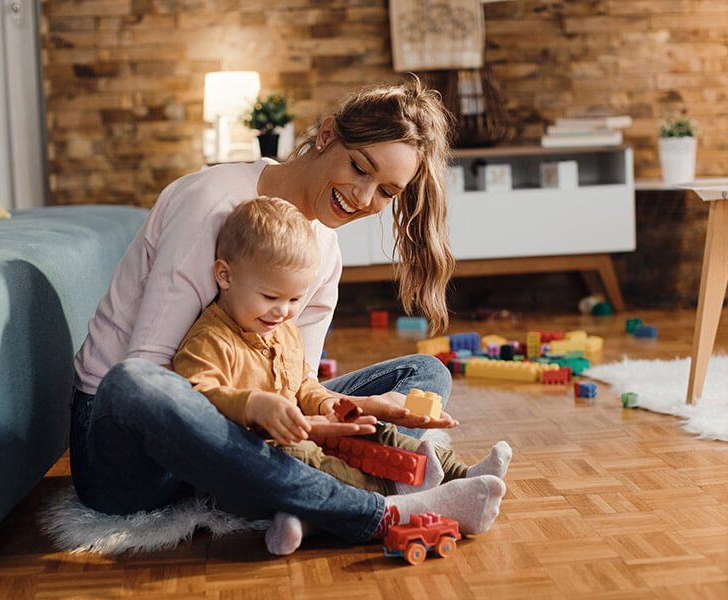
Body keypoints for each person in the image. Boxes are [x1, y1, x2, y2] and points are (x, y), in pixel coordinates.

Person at [69, 75, 506, 557]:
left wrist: (344, 412)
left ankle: (297, 501)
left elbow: (297, 385)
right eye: (361, 168)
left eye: (386, 192)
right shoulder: (212, 205)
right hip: (136, 446)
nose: (363, 198)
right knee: (134, 381)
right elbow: (156, 369)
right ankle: (372, 512)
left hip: (247, 433)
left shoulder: (324, 249)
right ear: (325, 136)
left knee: (423, 374)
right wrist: (265, 416)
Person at [172, 196, 513, 516]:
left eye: (293, 300)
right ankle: (392, 492)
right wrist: (252, 405)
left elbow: (302, 385)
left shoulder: (281, 329)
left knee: (372, 430)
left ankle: (459, 473)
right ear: (226, 275)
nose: (282, 312)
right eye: (271, 296)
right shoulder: (210, 340)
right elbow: (192, 402)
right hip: (261, 452)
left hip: (308, 431)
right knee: (303, 457)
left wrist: (331, 408)